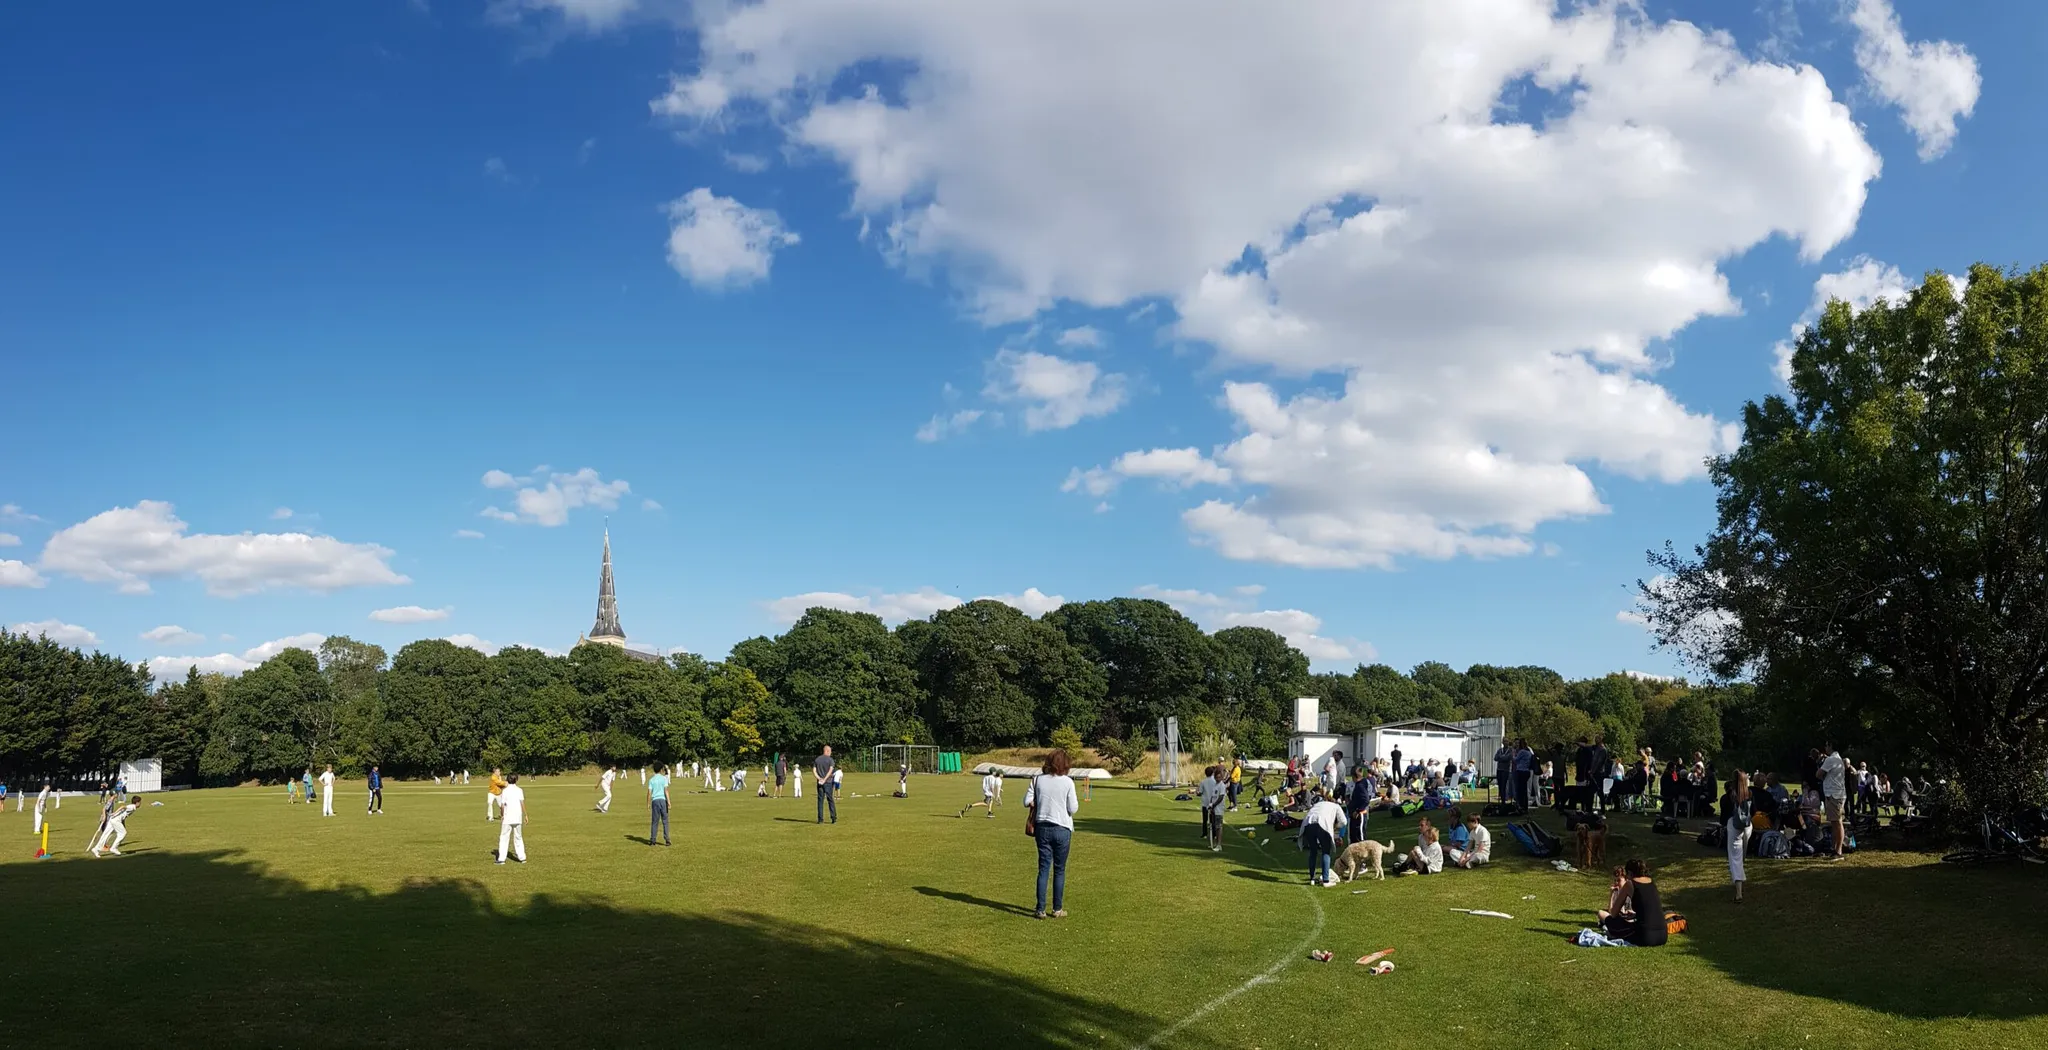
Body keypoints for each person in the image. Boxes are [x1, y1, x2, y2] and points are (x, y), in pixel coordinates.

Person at [1025, 749, 1080, 919]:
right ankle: (1057, 909)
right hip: (1062, 828)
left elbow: (1027, 801)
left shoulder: (1038, 780)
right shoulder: (1068, 782)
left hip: (1042, 827)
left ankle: (1040, 909)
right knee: (1059, 869)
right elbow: (1073, 808)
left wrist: (1039, 802)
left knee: (1043, 869)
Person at [1597, 859, 1668, 947]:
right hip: (1663, 935)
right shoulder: (1651, 882)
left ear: (1630, 873)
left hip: (1645, 937)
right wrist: (1635, 915)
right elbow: (1650, 909)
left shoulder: (1630, 884)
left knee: (1604, 916)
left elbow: (1614, 913)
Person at [1301, 790, 1346, 887]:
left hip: (1308, 824)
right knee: (1326, 851)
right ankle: (1326, 880)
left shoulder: (1318, 804)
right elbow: (1344, 821)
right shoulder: (1336, 806)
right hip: (1322, 825)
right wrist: (1336, 827)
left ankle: (1312, 879)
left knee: (1313, 852)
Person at [1722, 771, 1752, 903]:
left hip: (1734, 826)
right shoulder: (1749, 794)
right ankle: (1740, 879)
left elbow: (1725, 814)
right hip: (1747, 825)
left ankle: (1739, 892)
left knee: (1735, 858)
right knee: (1742, 856)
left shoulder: (1730, 796)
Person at [1817, 742, 1849, 859]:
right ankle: (1835, 848)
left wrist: (1821, 762)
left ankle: (1839, 851)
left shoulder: (1830, 760)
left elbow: (1818, 774)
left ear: (1830, 746)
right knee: (1835, 823)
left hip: (1834, 795)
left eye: (1826, 745)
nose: (1825, 748)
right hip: (1837, 794)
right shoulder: (1838, 759)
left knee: (1837, 822)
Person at [495, 774, 527, 864]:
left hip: (508, 817)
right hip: (517, 817)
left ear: (507, 780)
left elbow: (502, 806)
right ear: (516, 780)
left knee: (504, 837)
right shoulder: (519, 790)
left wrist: (502, 815)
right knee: (518, 837)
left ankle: (501, 859)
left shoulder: (505, 791)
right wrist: (526, 815)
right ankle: (522, 857)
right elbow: (522, 803)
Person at [1198, 764, 1228, 852]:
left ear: (1222, 778)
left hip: (1219, 809)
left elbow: (1221, 797)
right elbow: (1213, 796)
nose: (1217, 779)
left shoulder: (1222, 785)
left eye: (1219, 777)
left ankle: (1219, 844)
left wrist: (1214, 805)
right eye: (1216, 777)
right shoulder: (1215, 784)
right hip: (1213, 809)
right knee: (1213, 825)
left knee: (1219, 827)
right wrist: (1211, 804)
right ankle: (1214, 843)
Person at [1344, 766, 1374, 843]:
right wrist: (1349, 806)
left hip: (1360, 813)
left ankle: (1362, 852)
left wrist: (1358, 811)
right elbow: (1347, 796)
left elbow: (1366, 799)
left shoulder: (1362, 785)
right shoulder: (1352, 784)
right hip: (1352, 811)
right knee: (1352, 834)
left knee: (1360, 835)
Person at [647, 765, 671, 846]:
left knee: (654, 821)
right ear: (661, 769)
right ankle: (667, 840)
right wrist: (669, 802)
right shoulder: (664, 778)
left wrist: (648, 803)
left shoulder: (651, 780)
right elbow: (666, 791)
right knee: (665, 821)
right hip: (663, 801)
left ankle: (653, 840)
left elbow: (649, 792)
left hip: (655, 801)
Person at [814, 746, 838, 824]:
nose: (831, 753)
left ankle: (820, 819)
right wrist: (825, 779)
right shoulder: (830, 760)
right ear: (827, 751)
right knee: (830, 799)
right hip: (828, 782)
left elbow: (814, 770)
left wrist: (819, 778)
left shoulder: (817, 759)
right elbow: (831, 770)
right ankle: (833, 817)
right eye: (830, 751)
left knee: (820, 800)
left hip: (820, 782)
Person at [1513, 740, 1535, 812]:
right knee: (1525, 789)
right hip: (1527, 771)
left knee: (1520, 790)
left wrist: (1512, 755)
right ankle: (1525, 806)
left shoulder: (1522, 752)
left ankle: (1521, 805)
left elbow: (1515, 760)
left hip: (1521, 771)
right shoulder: (1529, 752)